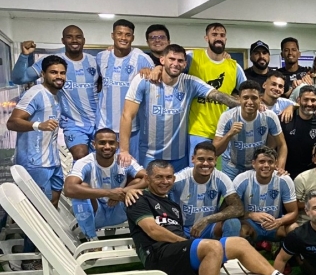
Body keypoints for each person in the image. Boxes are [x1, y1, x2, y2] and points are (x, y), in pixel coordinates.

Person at [126, 160, 311, 275]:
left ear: (174, 179)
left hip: (177, 255)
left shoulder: (173, 207)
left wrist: (186, 244)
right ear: (148, 179)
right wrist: (184, 241)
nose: (165, 181)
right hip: (157, 257)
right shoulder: (138, 198)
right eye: (159, 177)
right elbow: (152, 230)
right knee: (212, 246)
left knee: (239, 243)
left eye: (168, 177)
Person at [121, 44, 233, 171]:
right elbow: (127, 115)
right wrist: (124, 151)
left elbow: (217, 95)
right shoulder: (143, 80)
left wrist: (245, 104)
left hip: (179, 157)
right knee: (149, 184)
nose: (175, 63)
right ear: (162, 60)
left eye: (180, 61)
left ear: (185, 64)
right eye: (172, 59)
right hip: (150, 155)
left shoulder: (190, 82)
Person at [12, 25, 99, 160]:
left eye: (78, 37)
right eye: (69, 37)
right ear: (63, 40)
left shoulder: (94, 61)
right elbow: (19, 79)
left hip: (99, 121)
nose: (74, 40)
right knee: (80, 155)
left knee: (102, 160)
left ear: (84, 40)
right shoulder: (54, 62)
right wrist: (24, 56)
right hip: (73, 124)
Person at [65, 128, 147, 239]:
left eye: (111, 143)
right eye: (102, 143)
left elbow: (148, 179)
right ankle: (91, 239)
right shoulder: (84, 162)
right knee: (81, 188)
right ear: (94, 144)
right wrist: (109, 193)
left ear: (117, 145)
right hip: (95, 212)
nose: (107, 146)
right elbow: (68, 189)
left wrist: (121, 193)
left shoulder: (124, 161)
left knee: (137, 184)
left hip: (119, 209)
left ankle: (142, 234)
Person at [7, 55, 66, 204]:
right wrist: (38, 125)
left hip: (53, 161)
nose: (59, 76)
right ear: (43, 74)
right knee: (38, 207)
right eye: (53, 72)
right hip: (34, 163)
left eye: (62, 73)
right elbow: (12, 123)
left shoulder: (57, 95)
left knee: (53, 203)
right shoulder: (35, 93)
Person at [96, 19, 155, 160]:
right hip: (104, 126)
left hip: (133, 128)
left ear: (132, 38)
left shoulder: (142, 59)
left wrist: (153, 70)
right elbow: (98, 83)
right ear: (113, 35)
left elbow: (154, 89)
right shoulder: (101, 57)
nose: (123, 38)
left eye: (127, 35)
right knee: (105, 166)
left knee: (130, 166)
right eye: (119, 34)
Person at [185, 23, 247, 157]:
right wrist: (158, 69)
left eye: (222, 35)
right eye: (214, 34)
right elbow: (171, 67)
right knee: (197, 168)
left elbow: (247, 91)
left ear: (226, 39)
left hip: (223, 131)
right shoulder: (192, 57)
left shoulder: (234, 66)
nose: (218, 38)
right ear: (206, 38)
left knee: (218, 169)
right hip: (197, 130)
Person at [213, 80, 286, 179]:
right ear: (239, 99)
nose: (250, 102)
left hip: (257, 167)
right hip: (232, 166)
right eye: (245, 97)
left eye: (254, 98)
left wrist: (280, 168)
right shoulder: (228, 117)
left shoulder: (269, 116)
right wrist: (229, 134)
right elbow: (215, 151)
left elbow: (282, 145)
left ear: (260, 99)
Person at [171, 142, 243, 240]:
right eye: (201, 159)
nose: (205, 163)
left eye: (210, 159)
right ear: (193, 159)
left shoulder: (221, 178)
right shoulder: (179, 179)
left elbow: (238, 208)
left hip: (208, 228)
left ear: (216, 160)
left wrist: (207, 220)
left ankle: (226, 249)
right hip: (181, 228)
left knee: (233, 223)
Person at [232, 146, 298, 243]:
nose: (266, 165)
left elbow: (293, 212)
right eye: (262, 161)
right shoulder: (242, 180)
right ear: (253, 163)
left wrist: (279, 221)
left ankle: (284, 250)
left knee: (294, 228)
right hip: (251, 225)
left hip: (276, 226)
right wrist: (250, 215)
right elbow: (230, 210)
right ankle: (248, 248)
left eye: (270, 162)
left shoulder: (284, 180)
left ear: (275, 164)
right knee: (237, 229)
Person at [281, 85, 316, 179]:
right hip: (286, 173)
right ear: (298, 100)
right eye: (306, 99)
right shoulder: (286, 119)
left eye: (313, 100)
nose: (309, 104)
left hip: (309, 175)